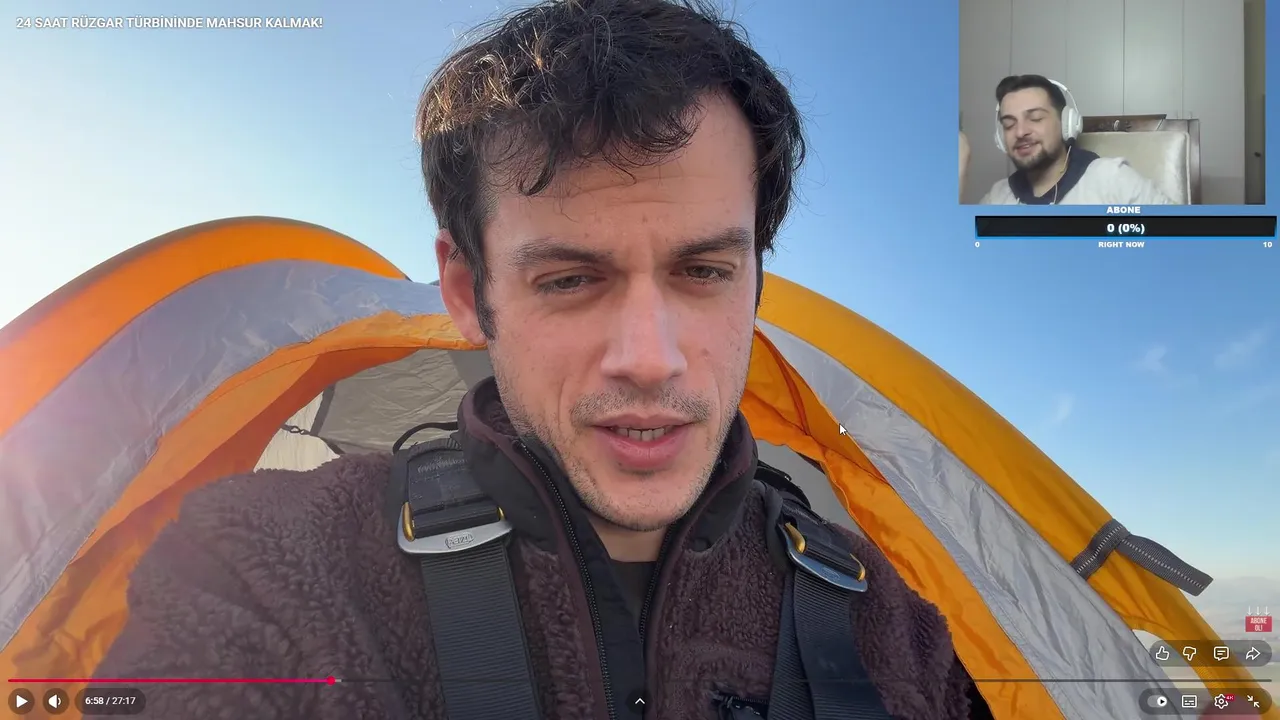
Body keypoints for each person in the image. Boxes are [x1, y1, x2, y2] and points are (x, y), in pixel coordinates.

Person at [95, 1, 993, 718]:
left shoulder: (893, 626)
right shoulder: (265, 564)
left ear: (755, 280)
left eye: (703, 272)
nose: (650, 360)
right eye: (569, 280)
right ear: (466, 289)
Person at [979, 74, 1174, 205]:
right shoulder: (997, 198)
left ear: (1066, 123)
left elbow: (1180, 236)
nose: (1020, 132)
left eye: (1035, 118)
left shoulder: (1111, 179)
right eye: (1009, 124)